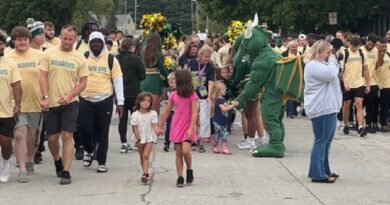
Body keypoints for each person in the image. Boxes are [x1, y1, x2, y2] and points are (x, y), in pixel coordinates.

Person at [39, 25, 89, 185]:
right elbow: (42, 76)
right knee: (52, 138)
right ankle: (57, 159)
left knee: (67, 135)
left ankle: (66, 171)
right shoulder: (49, 53)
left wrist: (69, 95)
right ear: (60, 36)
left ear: (75, 40)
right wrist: (45, 97)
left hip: (70, 103)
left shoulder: (79, 57)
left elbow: (83, 82)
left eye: (70, 39)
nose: (66, 42)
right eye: (64, 38)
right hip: (52, 103)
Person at [78, 31, 124, 173]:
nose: (96, 45)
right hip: (85, 98)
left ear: (103, 43)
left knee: (103, 131)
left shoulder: (111, 59)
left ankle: (102, 161)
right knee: (84, 128)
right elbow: (75, 78)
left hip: (104, 100)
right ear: (90, 44)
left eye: (98, 42)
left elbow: (118, 81)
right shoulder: (83, 58)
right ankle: (89, 150)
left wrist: (120, 102)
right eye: (93, 42)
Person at [7, 26, 44, 182]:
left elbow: (45, 78)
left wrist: (46, 97)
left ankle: (29, 161)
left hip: (36, 102)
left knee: (32, 137)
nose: (22, 42)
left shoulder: (39, 56)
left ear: (29, 40)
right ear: (14, 41)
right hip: (16, 104)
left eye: (25, 39)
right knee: (19, 134)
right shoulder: (7, 57)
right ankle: (22, 169)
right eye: (19, 39)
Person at [304, 40, 342, 183]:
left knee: (326, 141)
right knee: (321, 141)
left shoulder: (321, 65)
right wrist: (333, 59)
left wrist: (333, 60)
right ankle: (317, 173)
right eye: (327, 52)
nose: (329, 55)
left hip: (328, 107)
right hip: (321, 108)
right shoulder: (313, 65)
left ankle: (324, 169)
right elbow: (331, 74)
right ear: (319, 52)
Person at [158, 69, 198, 187]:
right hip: (177, 125)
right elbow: (166, 111)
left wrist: (191, 127)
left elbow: (195, 112)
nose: (174, 81)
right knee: (178, 152)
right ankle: (180, 176)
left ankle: (189, 169)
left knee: (186, 151)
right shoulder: (174, 95)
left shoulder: (192, 95)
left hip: (187, 125)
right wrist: (160, 126)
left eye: (176, 79)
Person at [116, 38, 146, 153]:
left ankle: (123, 143)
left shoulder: (116, 59)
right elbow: (143, 76)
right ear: (132, 47)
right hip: (134, 94)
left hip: (120, 94)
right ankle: (137, 141)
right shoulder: (136, 59)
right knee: (136, 119)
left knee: (122, 119)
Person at [0, 32, 22, 183]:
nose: (1, 46)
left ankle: (5, 162)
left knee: (6, 144)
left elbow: (16, 86)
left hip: (5, 111)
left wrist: (18, 104)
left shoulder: (10, 63)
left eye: (2, 43)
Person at [187, 46, 215, 153]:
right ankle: (193, 138)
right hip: (192, 95)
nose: (207, 59)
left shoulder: (210, 67)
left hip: (204, 95)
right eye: (205, 56)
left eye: (209, 57)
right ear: (200, 55)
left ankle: (202, 142)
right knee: (192, 118)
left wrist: (209, 96)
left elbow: (211, 82)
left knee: (204, 119)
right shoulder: (192, 63)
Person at [341, 35, 370, 137]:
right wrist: (344, 83)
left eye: (357, 46)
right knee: (346, 106)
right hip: (348, 83)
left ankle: (361, 127)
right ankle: (346, 124)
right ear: (348, 43)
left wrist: (368, 84)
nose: (355, 48)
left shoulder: (362, 53)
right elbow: (341, 70)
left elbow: (366, 69)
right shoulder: (344, 53)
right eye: (353, 46)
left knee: (359, 104)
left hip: (359, 83)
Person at [131, 92, 158, 184]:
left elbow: (154, 125)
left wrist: (157, 130)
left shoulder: (152, 113)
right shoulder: (135, 114)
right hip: (139, 137)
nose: (146, 103)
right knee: (142, 156)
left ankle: (145, 174)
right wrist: (138, 140)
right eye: (143, 101)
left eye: (148, 101)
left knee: (146, 155)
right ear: (139, 102)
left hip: (149, 136)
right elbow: (135, 127)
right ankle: (144, 172)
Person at [140, 32, 168, 115]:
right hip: (154, 79)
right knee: (154, 108)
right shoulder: (157, 53)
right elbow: (161, 68)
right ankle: (154, 126)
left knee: (144, 105)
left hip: (144, 78)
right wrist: (169, 76)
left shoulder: (143, 51)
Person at [211, 82, 238, 154]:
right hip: (218, 121)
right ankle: (214, 144)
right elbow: (224, 109)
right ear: (218, 91)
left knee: (225, 134)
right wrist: (233, 106)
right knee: (218, 134)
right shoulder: (218, 100)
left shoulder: (223, 99)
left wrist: (230, 103)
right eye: (223, 89)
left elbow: (226, 106)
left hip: (224, 120)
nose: (224, 91)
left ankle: (224, 148)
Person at [361, 34, 380, 133]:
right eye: (369, 44)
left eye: (373, 45)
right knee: (360, 104)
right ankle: (359, 124)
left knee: (371, 104)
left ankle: (368, 124)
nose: (370, 46)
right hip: (360, 82)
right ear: (366, 40)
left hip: (372, 82)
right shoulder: (360, 50)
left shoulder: (376, 50)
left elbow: (377, 65)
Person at [375, 37, 390, 132]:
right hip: (378, 83)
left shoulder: (388, 54)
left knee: (387, 105)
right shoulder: (375, 54)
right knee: (381, 106)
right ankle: (381, 123)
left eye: (385, 46)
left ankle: (386, 123)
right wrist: (381, 54)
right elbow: (379, 64)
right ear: (378, 45)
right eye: (382, 46)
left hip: (388, 83)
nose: (384, 48)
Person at [163, 72, 176, 152]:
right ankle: (167, 143)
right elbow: (166, 101)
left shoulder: (179, 90)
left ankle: (176, 142)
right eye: (170, 82)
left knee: (176, 128)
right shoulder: (168, 90)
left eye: (173, 82)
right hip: (170, 111)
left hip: (177, 112)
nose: (172, 84)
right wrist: (172, 101)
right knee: (168, 127)